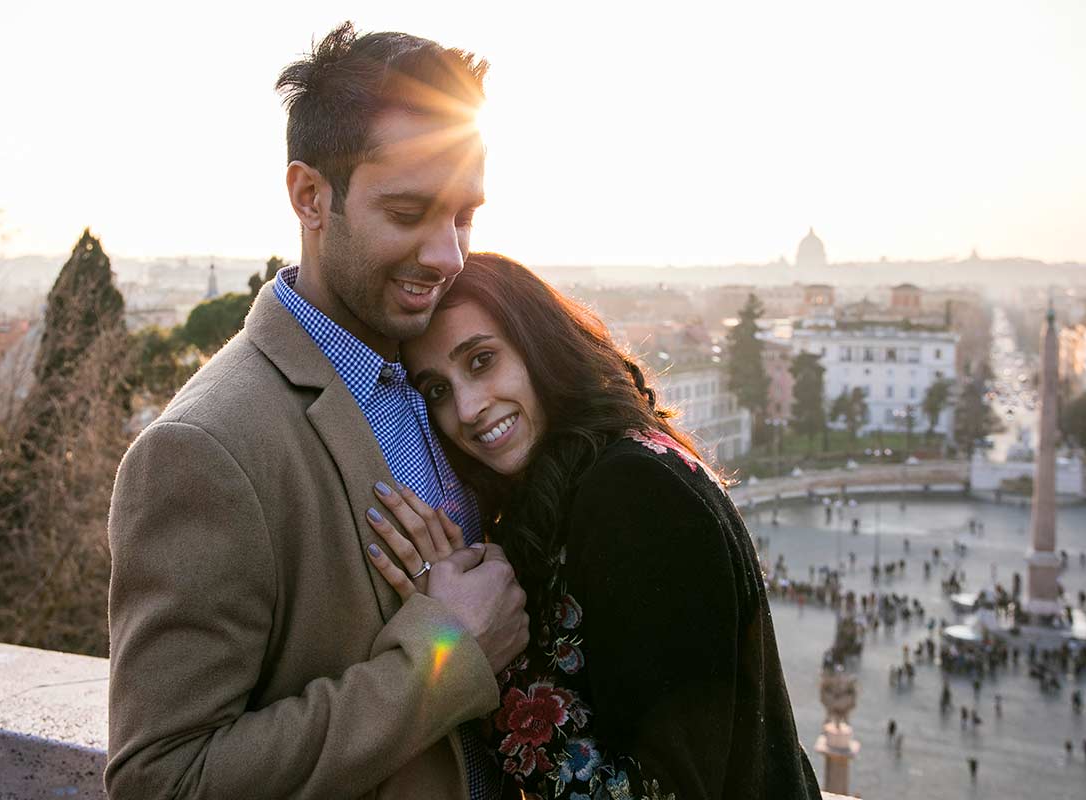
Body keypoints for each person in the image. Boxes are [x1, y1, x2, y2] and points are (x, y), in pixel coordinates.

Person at [106, 24, 530, 799]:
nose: (448, 257)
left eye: (464, 216)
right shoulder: (205, 450)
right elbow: (161, 779)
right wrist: (450, 652)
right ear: (309, 196)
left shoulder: (443, 378)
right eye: (408, 213)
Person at [363, 254, 822, 798]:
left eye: (482, 361)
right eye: (436, 389)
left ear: (540, 345)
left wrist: (476, 647)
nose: (466, 408)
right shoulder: (582, 480)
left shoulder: (634, 494)